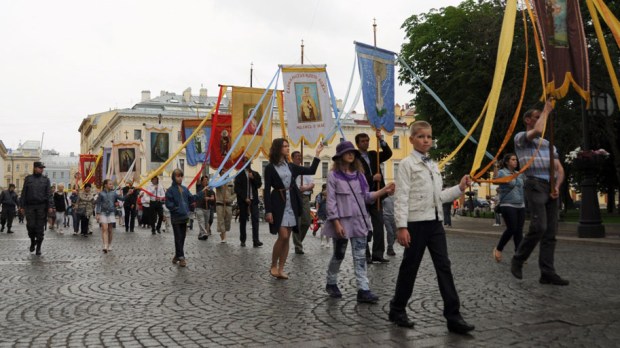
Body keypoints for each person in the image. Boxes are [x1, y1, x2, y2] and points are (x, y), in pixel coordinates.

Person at [389, 121, 475, 334]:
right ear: (411, 140)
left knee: (444, 267)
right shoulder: (408, 165)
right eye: (421, 136)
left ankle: (453, 317)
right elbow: (401, 197)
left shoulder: (433, 165)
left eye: (429, 136)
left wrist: (460, 188)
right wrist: (401, 227)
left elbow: (439, 196)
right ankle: (397, 308)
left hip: (435, 224)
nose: (426, 140)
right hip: (415, 224)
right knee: (410, 268)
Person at [321, 141, 395, 302]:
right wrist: (336, 223)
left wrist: (383, 190)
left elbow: (366, 197)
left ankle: (363, 289)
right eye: (347, 152)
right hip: (341, 223)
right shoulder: (333, 176)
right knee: (338, 255)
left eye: (352, 152)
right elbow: (331, 201)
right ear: (340, 156)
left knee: (360, 257)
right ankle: (331, 282)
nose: (351, 154)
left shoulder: (360, 175)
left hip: (360, 221)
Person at [511, 100, 568, 285]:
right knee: (539, 227)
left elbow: (559, 168)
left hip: (550, 187)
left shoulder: (548, 144)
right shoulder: (521, 138)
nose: (541, 119)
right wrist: (546, 110)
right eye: (536, 117)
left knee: (550, 233)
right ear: (527, 120)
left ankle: (547, 272)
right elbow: (537, 129)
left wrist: (558, 186)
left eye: (541, 117)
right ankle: (518, 258)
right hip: (534, 184)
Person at [264, 138, 323, 279]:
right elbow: (266, 190)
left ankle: (282, 268)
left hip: (292, 203)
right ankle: (273, 265)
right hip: (278, 202)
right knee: (282, 235)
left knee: (288, 237)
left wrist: (317, 154)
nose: (287, 148)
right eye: (284, 146)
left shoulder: (290, 166)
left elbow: (311, 170)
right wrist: (268, 210)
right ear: (278, 148)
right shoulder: (270, 167)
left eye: (287, 146)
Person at [355, 130, 392, 264]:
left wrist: (381, 140)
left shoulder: (373, 154)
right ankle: (365, 255)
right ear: (357, 144)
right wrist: (372, 178)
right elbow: (355, 177)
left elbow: (388, 154)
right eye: (363, 141)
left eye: (367, 141)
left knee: (379, 224)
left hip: (377, 194)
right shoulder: (354, 158)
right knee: (363, 226)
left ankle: (378, 254)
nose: (366, 143)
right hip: (362, 195)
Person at [493, 153, 525, 262]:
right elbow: (494, 180)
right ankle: (498, 249)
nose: (515, 161)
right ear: (507, 162)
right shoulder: (502, 173)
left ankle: (518, 255)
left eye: (516, 159)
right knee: (512, 228)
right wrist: (495, 167)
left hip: (520, 204)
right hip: (507, 204)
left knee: (519, 231)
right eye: (513, 159)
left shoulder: (519, 174)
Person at [19, 162, 55, 255]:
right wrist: (22, 206)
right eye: (40, 168)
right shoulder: (28, 179)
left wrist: (50, 206)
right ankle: (32, 241)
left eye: (42, 168)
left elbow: (49, 194)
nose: (41, 169)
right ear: (35, 168)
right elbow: (24, 193)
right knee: (30, 226)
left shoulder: (46, 180)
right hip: (30, 206)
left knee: (40, 228)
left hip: (41, 207)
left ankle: (38, 247)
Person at [165, 169, 197, 267]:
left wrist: (200, 194)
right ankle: (181, 257)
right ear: (174, 177)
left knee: (182, 237)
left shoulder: (185, 189)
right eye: (177, 176)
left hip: (184, 216)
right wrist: (175, 208)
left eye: (181, 176)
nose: (179, 178)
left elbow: (191, 198)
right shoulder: (170, 190)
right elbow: (168, 203)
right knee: (178, 237)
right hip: (176, 217)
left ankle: (177, 255)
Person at [234, 162, 263, 247]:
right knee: (243, 220)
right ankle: (243, 240)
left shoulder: (255, 173)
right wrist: (244, 198)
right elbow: (237, 189)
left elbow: (259, 185)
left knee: (255, 219)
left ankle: (256, 240)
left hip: (254, 200)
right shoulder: (239, 175)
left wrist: (253, 178)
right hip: (243, 201)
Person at [290, 151, 314, 255]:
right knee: (297, 222)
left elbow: (312, 184)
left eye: (300, 156)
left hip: (305, 197)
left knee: (307, 222)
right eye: (297, 156)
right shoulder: (290, 170)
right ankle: (298, 246)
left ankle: (298, 241)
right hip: (295, 197)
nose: (299, 158)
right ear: (292, 158)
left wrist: (306, 187)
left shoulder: (305, 170)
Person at [95, 179, 128, 253]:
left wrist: (128, 193)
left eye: (112, 184)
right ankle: (105, 245)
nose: (111, 185)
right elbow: (98, 204)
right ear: (105, 185)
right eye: (110, 184)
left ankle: (109, 244)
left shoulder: (114, 193)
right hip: (103, 212)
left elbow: (122, 199)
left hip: (111, 212)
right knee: (104, 229)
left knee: (110, 230)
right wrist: (97, 213)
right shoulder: (101, 194)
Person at [215, 173, 236, 243]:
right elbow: (215, 186)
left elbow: (235, 193)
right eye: (223, 172)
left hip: (228, 204)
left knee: (228, 219)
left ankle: (223, 232)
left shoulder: (231, 182)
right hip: (220, 203)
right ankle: (224, 236)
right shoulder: (218, 181)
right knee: (221, 220)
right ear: (220, 173)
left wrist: (230, 199)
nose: (224, 173)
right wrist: (221, 181)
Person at [195, 176, 215, 241]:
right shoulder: (199, 187)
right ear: (202, 181)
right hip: (199, 207)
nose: (206, 181)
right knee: (201, 221)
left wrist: (208, 198)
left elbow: (213, 198)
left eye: (207, 180)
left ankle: (201, 234)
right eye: (204, 180)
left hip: (207, 208)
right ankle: (204, 234)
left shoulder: (210, 189)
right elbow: (197, 179)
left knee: (206, 223)